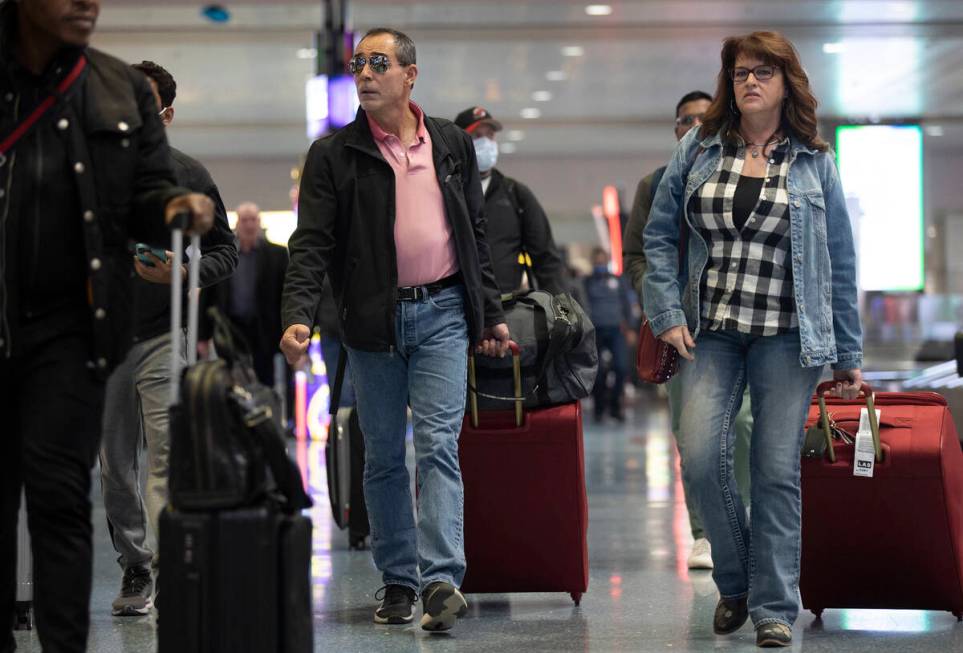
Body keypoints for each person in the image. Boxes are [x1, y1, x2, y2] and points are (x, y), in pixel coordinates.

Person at [0, 1, 214, 651]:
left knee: (63, 498)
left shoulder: (120, 88)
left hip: (74, 328)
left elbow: (146, 194)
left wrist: (174, 206)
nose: (85, 2)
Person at [279, 27, 509, 632]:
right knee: (382, 456)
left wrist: (490, 313)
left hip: (443, 314)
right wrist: (298, 315)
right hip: (370, 323)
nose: (364, 74)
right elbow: (311, 246)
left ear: (410, 74)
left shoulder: (453, 145)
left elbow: (474, 239)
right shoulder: (334, 155)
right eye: (358, 64)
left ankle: (440, 579)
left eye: (378, 63)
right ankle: (399, 581)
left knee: (437, 445)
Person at [642, 31, 862, 648]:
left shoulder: (816, 162)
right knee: (703, 454)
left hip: (787, 338)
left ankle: (772, 607)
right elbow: (659, 237)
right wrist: (665, 311)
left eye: (764, 72)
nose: (750, 82)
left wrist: (847, 354)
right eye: (741, 73)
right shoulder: (700, 148)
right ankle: (735, 581)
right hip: (709, 329)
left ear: (787, 82)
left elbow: (839, 263)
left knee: (773, 470)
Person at [98, 60, 237, 617]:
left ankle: (167, 567)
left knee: (165, 457)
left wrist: (182, 272)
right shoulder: (89, 171)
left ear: (166, 114)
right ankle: (134, 561)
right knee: (113, 464)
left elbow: (225, 252)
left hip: (163, 336)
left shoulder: (189, 174)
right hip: (101, 339)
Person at [624, 90, 753, 570]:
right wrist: (663, 303)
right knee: (693, 435)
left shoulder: (740, 176)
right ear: (677, 130)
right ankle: (703, 532)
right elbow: (638, 254)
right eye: (686, 120)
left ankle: (741, 519)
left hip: (738, 321)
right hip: (680, 329)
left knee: (742, 424)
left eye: (706, 118)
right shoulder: (655, 184)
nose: (696, 126)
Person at [453, 106, 567, 294]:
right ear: (458, 142)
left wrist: (563, 311)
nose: (485, 143)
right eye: (476, 136)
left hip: (507, 305)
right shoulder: (446, 192)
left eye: (489, 136)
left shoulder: (515, 194)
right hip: (455, 308)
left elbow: (546, 259)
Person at [200, 202, 288, 388]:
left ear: (259, 223)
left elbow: (285, 296)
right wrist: (202, 336)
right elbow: (207, 296)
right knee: (230, 386)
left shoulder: (277, 255)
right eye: (244, 220)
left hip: (264, 333)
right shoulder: (221, 256)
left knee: (265, 385)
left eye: (253, 220)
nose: (249, 225)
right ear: (237, 224)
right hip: (230, 330)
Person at [583, 247, 633, 422]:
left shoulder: (619, 281)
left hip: (616, 330)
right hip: (594, 332)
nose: (600, 265)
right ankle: (599, 408)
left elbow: (627, 304)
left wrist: (631, 328)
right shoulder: (586, 282)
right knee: (597, 372)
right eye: (597, 262)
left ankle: (615, 406)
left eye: (602, 262)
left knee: (621, 368)